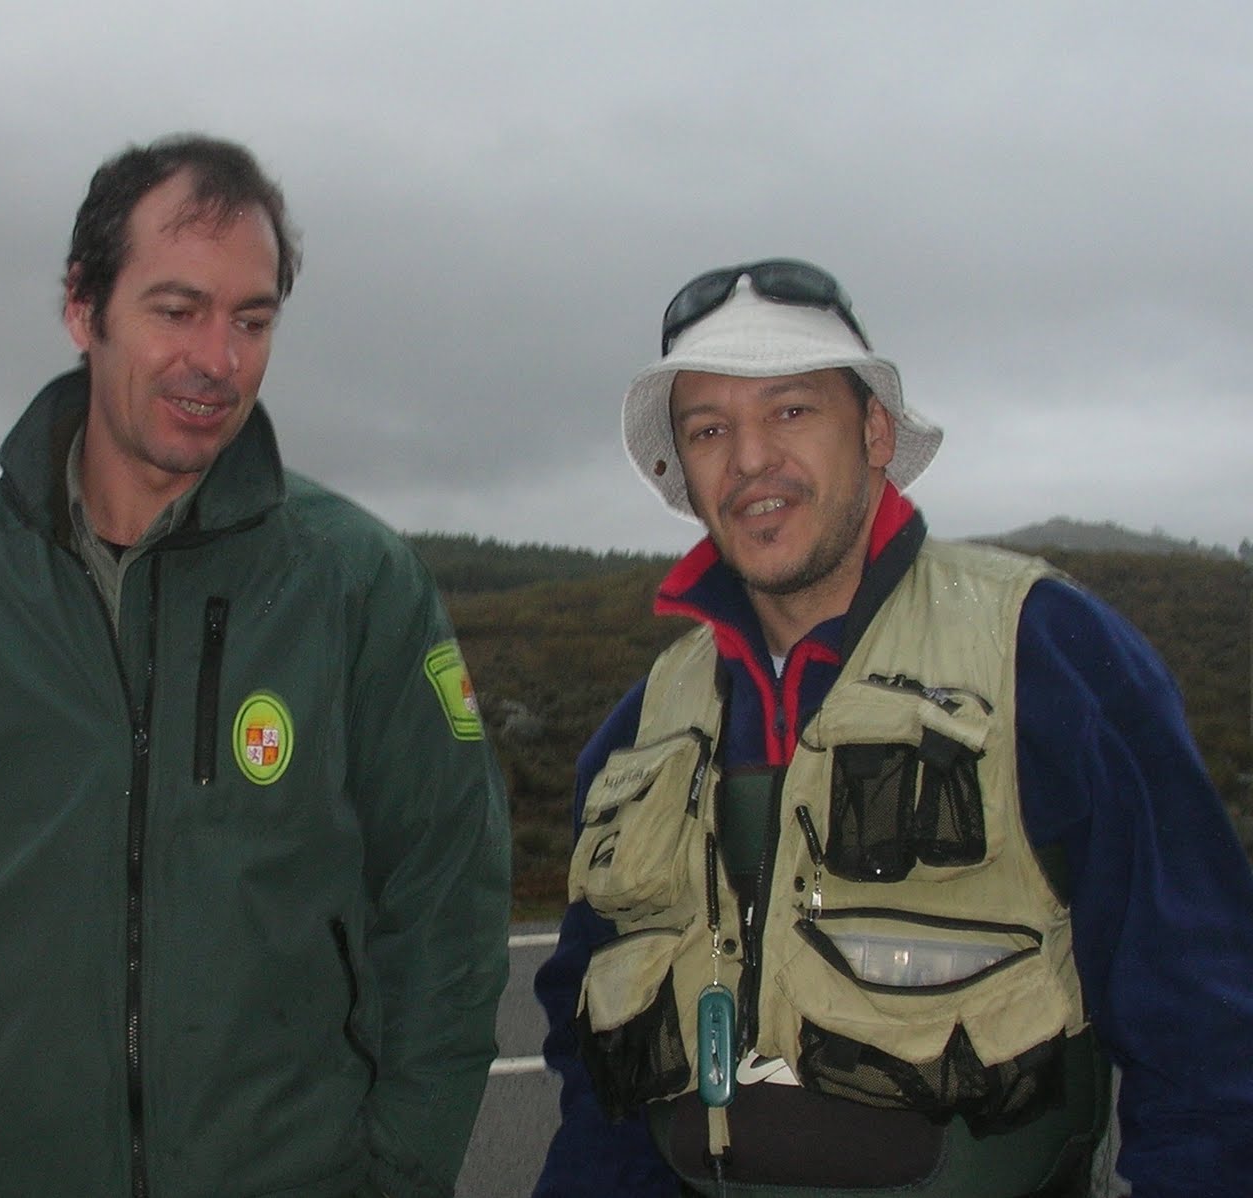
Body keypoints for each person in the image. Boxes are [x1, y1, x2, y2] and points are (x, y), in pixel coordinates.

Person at [0, 134, 511, 1198]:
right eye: (177, 309)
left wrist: (402, 1170)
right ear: (84, 307)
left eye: (253, 319)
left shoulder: (356, 584)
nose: (218, 360)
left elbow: (446, 896)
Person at [532, 259, 1253, 1197]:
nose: (750, 460)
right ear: (682, 471)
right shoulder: (644, 728)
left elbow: (1207, 1041)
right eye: (710, 429)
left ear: (876, 431)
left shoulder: (1048, 653)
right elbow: (599, 1081)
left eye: (791, 411)